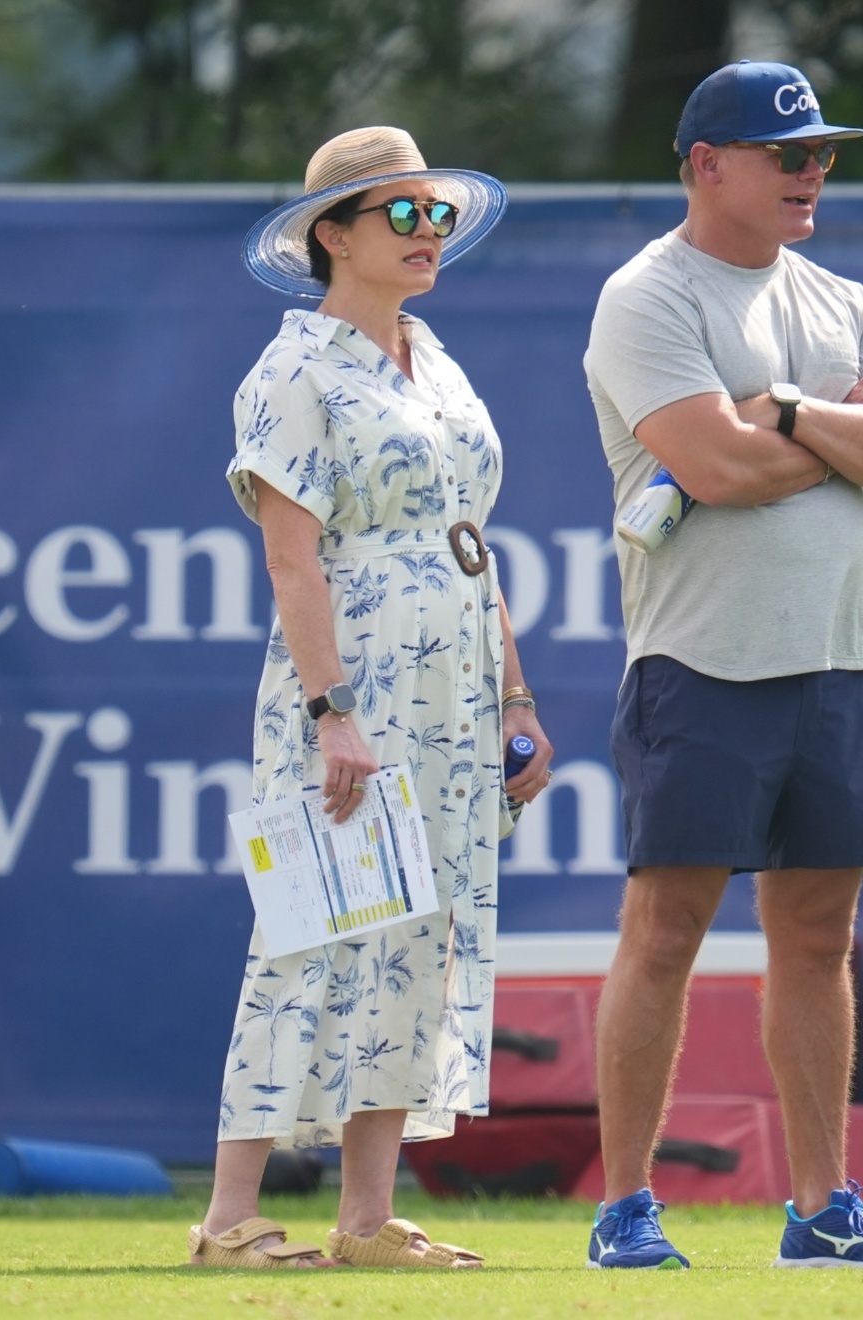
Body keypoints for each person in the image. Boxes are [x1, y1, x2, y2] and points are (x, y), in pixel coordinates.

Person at [581, 63, 863, 1271]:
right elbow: (714, 470)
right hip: (700, 662)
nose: (810, 174)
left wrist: (785, 410)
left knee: (818, 939)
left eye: (821, 155)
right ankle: (625, 1208)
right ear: (705, 165)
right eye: (786, 154)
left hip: (843, 661)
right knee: (666, 929)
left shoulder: (844, 299)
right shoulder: (647, 297)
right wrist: (840, 428)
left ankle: (822, 1209)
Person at [188, 126, 554, 1270]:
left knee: (419, 940)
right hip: (350, 679)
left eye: (435, 211)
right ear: (330, 237)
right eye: (400, 213)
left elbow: (469, 540)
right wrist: (329, 708)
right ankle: (228, 1218)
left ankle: (365, 1218)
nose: (427, 230)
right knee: (308, 927)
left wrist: (514, 699)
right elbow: (292, 559)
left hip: (453, 681)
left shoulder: (433, 358)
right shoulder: (290, 372)